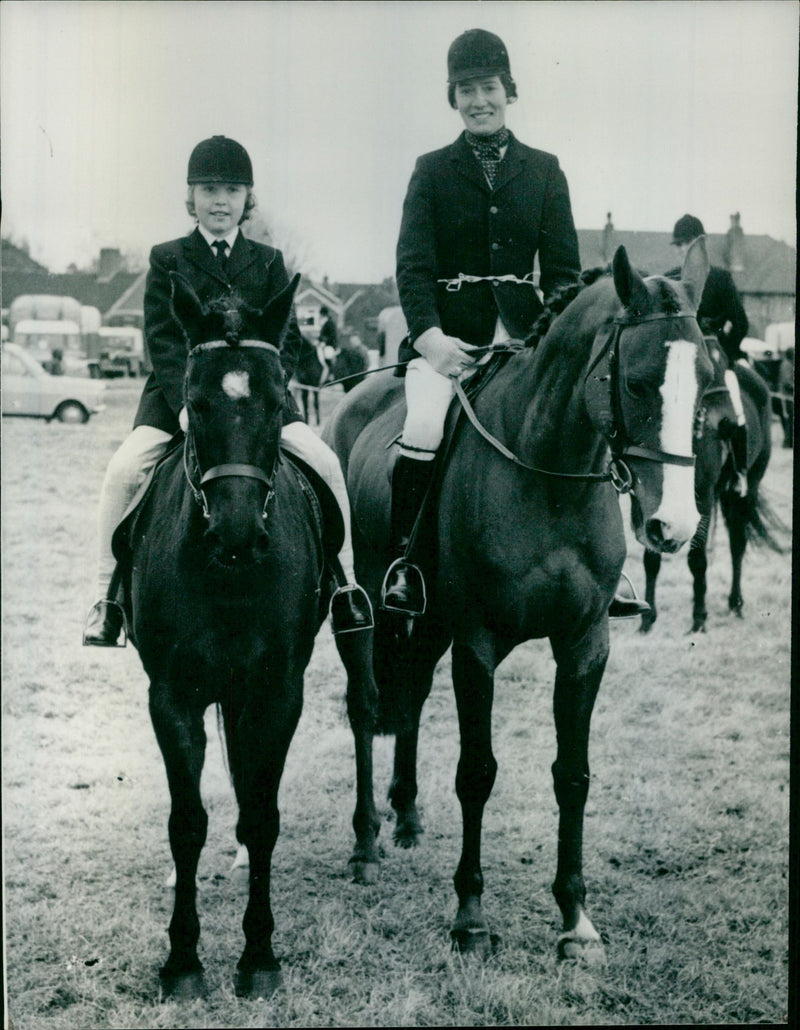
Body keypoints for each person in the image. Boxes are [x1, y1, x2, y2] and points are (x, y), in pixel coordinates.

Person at [383, 28, 648, 620]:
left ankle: (609, 566)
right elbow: (412, 265)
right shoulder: (430, 170)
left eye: (489, 88)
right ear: (453, 97)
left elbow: (562, 274)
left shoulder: (545, 170)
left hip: (529, 339)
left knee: (586, 420)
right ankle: (407, 564)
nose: (479, 100)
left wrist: (550, 341)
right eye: (467, 90)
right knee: (425, 423)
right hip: (447, 336)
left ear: (509, 91)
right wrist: (429, 338)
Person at [83, 135, 372, 645]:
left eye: (232, 190)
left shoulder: (267, 260)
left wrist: (281, 387)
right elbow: (164, 341)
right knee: (123, 471)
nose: (221, 201)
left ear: (248, 199)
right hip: (181, 400)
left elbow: (284, 338)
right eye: (209, 189)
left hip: (257, 405)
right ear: (191, 197)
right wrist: (185, 407)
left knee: (324, 462)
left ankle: (342, 583)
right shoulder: (167, 257)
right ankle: (107, 598)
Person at [668, 214, 755, 495]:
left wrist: (721, 351)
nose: (683, 250)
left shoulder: (719, 278)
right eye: (679, 245)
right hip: (680, 359)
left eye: (687, 243)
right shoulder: (671, 279)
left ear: (700, 245)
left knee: (737, 408)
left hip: (716, 358)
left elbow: (740, 322)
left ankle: (740, 471)